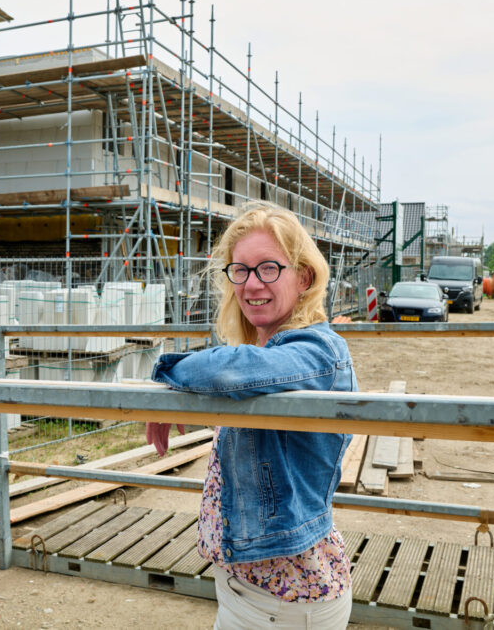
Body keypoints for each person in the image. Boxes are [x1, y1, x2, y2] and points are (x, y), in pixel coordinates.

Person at [147, 202, 355, 629]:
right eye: (240, 270)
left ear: (304, 277)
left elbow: (226, 371)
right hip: (254, 592)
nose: (251, 283)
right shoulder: (268, 352)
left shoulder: (318, 351)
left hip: (282, 600)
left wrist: (169, 378)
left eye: (268, 268)